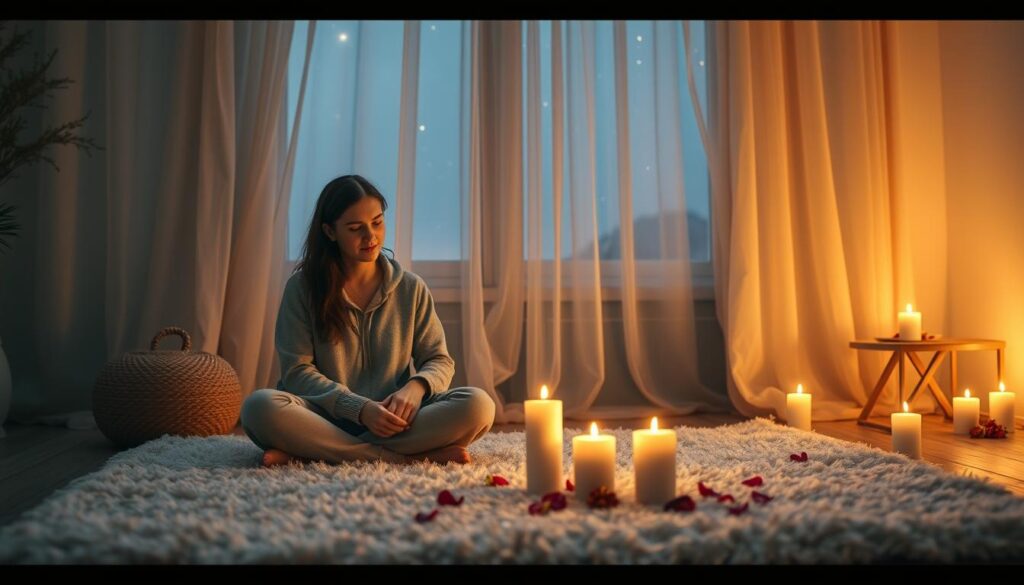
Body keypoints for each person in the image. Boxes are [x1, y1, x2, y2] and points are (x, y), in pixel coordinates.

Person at [240, 174, 495, 467]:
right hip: (322, 416)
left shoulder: (411, 288)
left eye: (377, 222)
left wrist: (415, 389)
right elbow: (297, 372)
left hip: (396, 421)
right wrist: (359, 409)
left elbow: (439, 360)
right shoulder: (302, 289)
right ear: (330, 232)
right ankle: (402, 458)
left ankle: (312, 452)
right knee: (259, 407)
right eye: (355, 228)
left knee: (478, 405)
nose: (371, 237)